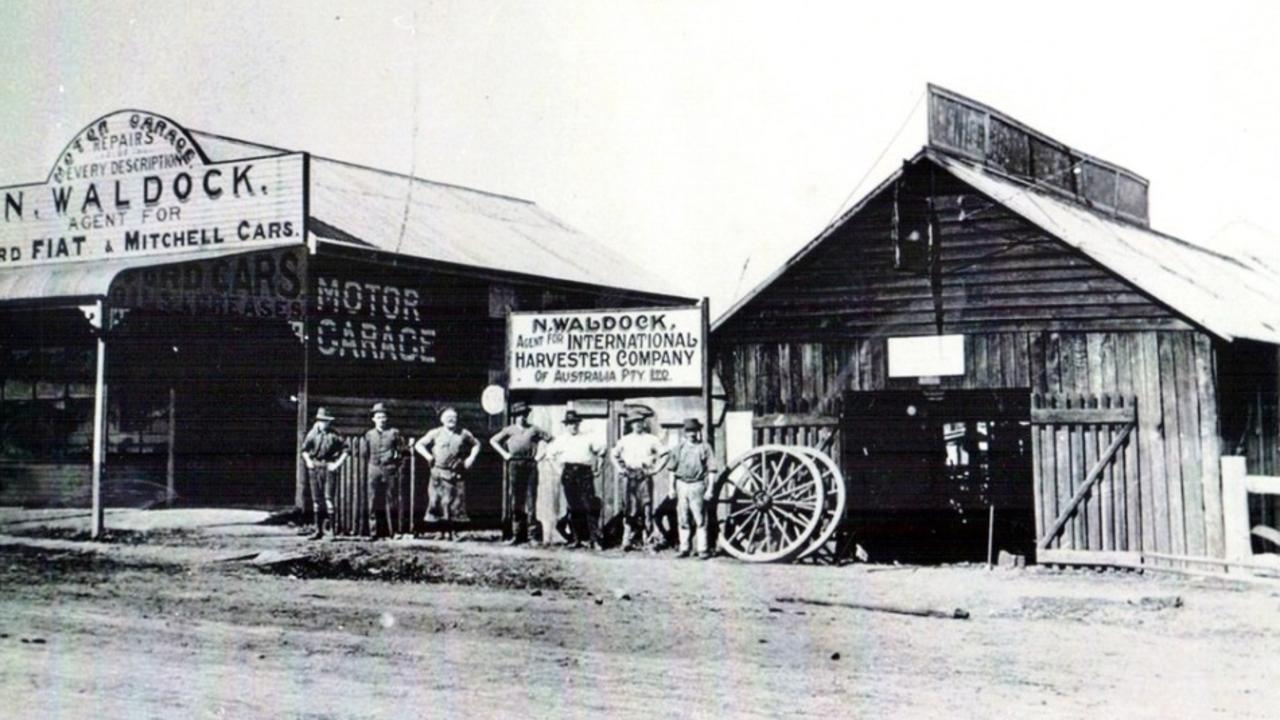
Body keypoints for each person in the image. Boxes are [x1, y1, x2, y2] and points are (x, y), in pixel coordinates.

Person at [490, 401, 552, 545]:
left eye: (524, 414)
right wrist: (505, 455)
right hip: (514, 464)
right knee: (516, 500)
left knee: (531, 499)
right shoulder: (509, 430)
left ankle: (533, 536)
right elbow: (493, 441)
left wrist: (540, 456)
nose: (521, 417)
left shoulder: (534, 429)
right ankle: (516, 535)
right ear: (514, 416)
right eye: (518, 415)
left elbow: (550, 440)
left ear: (527, 415)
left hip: (530, 464)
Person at [414, 407, 481, 532]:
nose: (451, 419)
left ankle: (452, 532)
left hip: (456, 472)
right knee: (437, 501)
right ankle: (440, 532)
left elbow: (476, 444)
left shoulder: (463, 433)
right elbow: (419, 444)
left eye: (454, 417)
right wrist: (428, 456)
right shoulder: (435, 433)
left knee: (454, 502)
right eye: (448, 417)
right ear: (442, 419)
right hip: (438, 472)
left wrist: (470, 459)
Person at [610, 409, 669, 551]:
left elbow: (665, 454)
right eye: (634, 423)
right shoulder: (625, 440)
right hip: (629, 475)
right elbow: (613, 454)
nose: (637, 425)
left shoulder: (651, 439)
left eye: (640, 422)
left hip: (644, 475)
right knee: (630, 508)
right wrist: (620, 469)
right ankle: (627, 540)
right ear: (631, 425)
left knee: (647, 507)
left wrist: (656, 469)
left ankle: (648, 540)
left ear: (643, 423)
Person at [546, 410, 604, 549]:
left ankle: (594, 540)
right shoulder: (561, 439)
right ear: (566, 425)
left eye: (575, 423)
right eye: (570, 424)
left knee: (590, 506)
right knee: (574, 507)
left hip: (585, 473)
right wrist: (559, 471)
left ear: (579, 424)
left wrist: (599, 468)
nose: (573, 426)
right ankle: (575, 539)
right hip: (569, 473)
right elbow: (550, 455)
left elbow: (602, 451)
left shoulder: (588, 437)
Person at [667, 418, 718, 559]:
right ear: (685, 432)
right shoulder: (678, 448)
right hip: (681, 485)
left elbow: (712, 470)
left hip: (698, 485)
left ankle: (703, 549)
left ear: (698, 431)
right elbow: (671, 470)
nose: (691, 434)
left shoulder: (705, 447)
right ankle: (684, 548)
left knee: (700, 519)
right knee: (683, 518)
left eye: (694, 430)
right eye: (689, 431)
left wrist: (710, 489)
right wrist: (671, 488)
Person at [300, 407, 348, 540]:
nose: (323, 424)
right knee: (316, 500)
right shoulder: (312, 434)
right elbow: (304, 450)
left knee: (329, 499)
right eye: (321, 421)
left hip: (328, 466)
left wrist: (337, 464)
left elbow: (346, 450)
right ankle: (318, 530)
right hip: (315, 467)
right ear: (317, 421)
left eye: (326, 421)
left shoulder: (335, 435)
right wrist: (309, 461)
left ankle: (332, 531)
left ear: (329, 422)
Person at [363, 402, 405, 540]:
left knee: (391, 500)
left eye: (383, 417)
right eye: (378, 417)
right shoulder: (369, 434)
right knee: (372, 500)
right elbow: (364, 453)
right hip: (374, 468)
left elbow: (402, 451)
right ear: (373, 419)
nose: (381, 419)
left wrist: (395, 460)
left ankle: (393, 531)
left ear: (387, 418)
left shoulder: (394, 433)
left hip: (390, 469)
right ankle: (373, 532)